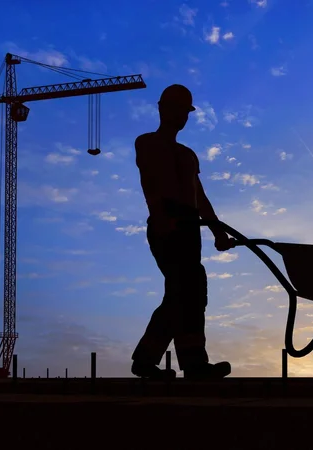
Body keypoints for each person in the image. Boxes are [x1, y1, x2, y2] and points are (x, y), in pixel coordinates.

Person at [131, 84, 236, 380]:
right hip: (167, 222)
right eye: (176, 109)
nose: (181, 116)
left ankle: (182, 362)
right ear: (162, 109)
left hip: (189, 227)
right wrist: (161, 216)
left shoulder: (188, 155)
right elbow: (150, 183)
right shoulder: (147, 143)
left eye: (184, 111)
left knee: (189, 292)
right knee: (184, 288)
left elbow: (199, 197)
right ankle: (180, 363)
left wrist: (217, 231)